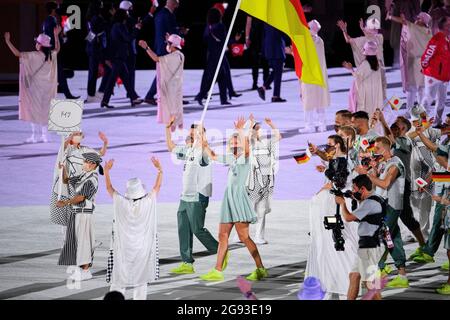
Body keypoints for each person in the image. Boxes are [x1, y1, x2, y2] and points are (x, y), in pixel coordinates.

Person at [199, 117, 268, 282]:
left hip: (238, 200)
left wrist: (240, 131)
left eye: (235, 140)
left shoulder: (244, 158)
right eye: (231, 141)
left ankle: (260, 268)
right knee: (222, 235)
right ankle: (217, 270)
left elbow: (246, 149)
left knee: (244, 237)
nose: (232, 142)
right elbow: (214, 156)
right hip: (228, 200)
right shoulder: (231, 159)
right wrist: (204, 142)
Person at [306, 135, 359, 298]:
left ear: (337, 145)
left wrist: (323, 189)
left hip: (337, 205)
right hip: (336, 204)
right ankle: (335, 283)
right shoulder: (338, 160)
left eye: (329, 145)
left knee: (338, 244)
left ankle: (342, 283)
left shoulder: (343, 162)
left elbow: (338, 182)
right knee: (333, 244)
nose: (326, 147)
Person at [165, 118, 219, 274]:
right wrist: (168, 128)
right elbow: (171, 147)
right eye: (190, 134)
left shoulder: (203, 152)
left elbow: (210, 153)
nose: (191, 136)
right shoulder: (188, 151)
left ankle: (221, 250)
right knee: (184, 229)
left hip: (198, 196)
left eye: (195, 134)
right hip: (185, 197)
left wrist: (202, 137)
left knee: (197, 229)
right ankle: (187, 263)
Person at [103, 157, 162, 300]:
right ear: (141, 189)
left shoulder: (121, 202)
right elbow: (157, 188)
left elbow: (109, 188)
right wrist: (160, 170)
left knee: (118, 279)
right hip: (142, 249)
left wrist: (106, 171)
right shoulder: (148, 201)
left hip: (123, 249)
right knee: (141, 280)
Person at [355, 137, 409, 288]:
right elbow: (377, 182)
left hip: (392, 205)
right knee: (392, 237)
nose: (374, 151)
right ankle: (401, 274)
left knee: (381, 237)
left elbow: (385, 184)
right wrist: (372, 170)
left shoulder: (396, 164)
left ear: (386, 148)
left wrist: (369, 175)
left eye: (377, 148)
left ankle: (377, 271)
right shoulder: (386, 163)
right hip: (385, 204)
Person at [4, 27, 60, 143]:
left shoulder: (33, 55)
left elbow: (17, 53)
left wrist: (8, 41)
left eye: (37, 43)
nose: (36, 44)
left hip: (35, 89)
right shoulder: (51, 55)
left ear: (40, 45)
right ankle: (45, 136)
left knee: (33, 111)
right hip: (47, 88)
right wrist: (56, 36)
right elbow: (57, 48)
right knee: (45, 110)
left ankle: (35, 136)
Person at [334, 174, 386, 300]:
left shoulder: (369, 203)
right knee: (354, 276)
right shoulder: (376, 198)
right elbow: (367, 217)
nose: (353, 191)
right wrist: (355, 198)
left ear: (363, 189)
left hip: (370, 246)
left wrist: (342, 203)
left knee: (371, 283)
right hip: (369, 245)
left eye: (355, 188)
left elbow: (348, 218)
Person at [57, 152, 103, 281]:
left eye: (85, 161)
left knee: (83, 243)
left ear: (92, 164)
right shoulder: (84, 175)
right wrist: (63, 169)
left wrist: (64, 203)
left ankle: (86, 270)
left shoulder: (91, 179)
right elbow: (66, 181)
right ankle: (82, 268)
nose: (83, 163)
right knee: (77, 242)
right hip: (77, 213)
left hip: (83, 214)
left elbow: (80, 197)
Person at [50, 131, 108, 228]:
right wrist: (70, 137)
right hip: (69, 184)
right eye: (76, 134)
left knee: (85, 213)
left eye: (80, 134)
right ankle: (68, 239)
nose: (79, 135)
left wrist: (105, 142)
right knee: (69, 216)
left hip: (82, 183)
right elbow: (63, 147)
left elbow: (100, 154)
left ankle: (86, 237)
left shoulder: (84, 149)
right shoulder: (67, 149)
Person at [387, 12, 432, 118]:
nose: (416, 19)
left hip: (416, 62)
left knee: (412, 89)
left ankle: (410, 111)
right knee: (421, 89)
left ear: (422, 21)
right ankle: (421, 111)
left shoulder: (416, 28)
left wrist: (390, 16)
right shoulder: (428, 32)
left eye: (418, 18)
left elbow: (403, 22)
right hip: (425, 63)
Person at [407, 104, 442, 237]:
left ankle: (424, 231)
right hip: (413, 174)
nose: (420, 121)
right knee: (413, 203)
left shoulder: (432, 131)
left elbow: (437, 145)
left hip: (428, 172)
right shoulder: (410, 132)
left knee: (426, 203)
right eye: (417, 120)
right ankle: (413, 231)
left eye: (423, 117)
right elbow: (407, 138)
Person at [246, 115, 281, 244]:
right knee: (248, 209)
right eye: (256, 128)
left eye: (259, 128)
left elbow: (278, 137)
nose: (259, 130)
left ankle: (258, 236)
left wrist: (272, 124)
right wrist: (250, 126)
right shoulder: (250, 144)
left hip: (266, 179)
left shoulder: (267, 142)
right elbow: (247, 137)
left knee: (261, 210)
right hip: (252, 181)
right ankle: (242, 235)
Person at [337, 17, 386, 110]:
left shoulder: (379, 37)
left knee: (378, 98)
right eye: (371, 27)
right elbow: (349, 40)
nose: (374, 29)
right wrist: (344, 30)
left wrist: (351, 69)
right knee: (360, 97)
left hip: (376, 73)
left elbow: (372, 38)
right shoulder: (362, 40)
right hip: (365, 74)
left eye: (375, 28)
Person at [139, 34, 185, 131]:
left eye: (168, 43)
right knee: (176, 112)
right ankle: (176, 134)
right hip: (176, 88)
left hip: (171, 90)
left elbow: (157, 59)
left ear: (173, 45)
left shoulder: (174, 57)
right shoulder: (180, 55)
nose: (167, 45)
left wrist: (146, 47)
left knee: (171, 113)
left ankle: (173, 137)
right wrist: (169, 39)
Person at [100, 8, 143, 109]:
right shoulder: (120, 26)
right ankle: (105, 101)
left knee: (126, 78)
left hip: (117, 56)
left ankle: (133, 98)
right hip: (118, 56)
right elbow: (128, 38)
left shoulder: (116, 26)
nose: (127, 15)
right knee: (113, 79)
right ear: (123, 16)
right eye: (126, 14)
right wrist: (136, 29)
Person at [144, 0, 182, 105]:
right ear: (171, 2)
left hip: (165, 47)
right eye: (176, 2)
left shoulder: (164, 14)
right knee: (165, 74)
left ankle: (152, 96)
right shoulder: (164, 15)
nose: (177, 5)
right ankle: (150, 95)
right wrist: (178, 34)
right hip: (165, 48)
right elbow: (167, 32)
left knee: (166, 74)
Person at [42, 1, 79, 100]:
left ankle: (67, 95)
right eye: (56, 8)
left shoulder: (45, 21)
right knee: (58, 74)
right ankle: (66, 95)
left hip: (48, 49)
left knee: (58, 74)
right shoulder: (52, 20)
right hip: (54, 50)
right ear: (53, 9)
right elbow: (55, 35)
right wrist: (63, 39)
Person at [195, 7, 231, 106]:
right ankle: (201, 95)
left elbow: (204, 39)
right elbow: (224, 39)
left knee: (221, 77)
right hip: (218, 54)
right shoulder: (220, 26)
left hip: (210, 55)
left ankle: (223, 99)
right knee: (215, 78)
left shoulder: (208, 27)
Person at [299, 20, 330, 134]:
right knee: (319, 100)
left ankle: (309, 126)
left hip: (309, 74)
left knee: (308, 101)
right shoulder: (319, 40)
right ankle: (322, 125)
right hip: (319, 75)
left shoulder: (308, 41)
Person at [420, 16, 450, 127]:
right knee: (428, 99)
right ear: (445, 26)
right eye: (449, 23)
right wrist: (425, 68)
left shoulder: (447, 39)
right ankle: (422, 124)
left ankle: (437, 122)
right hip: (433, 76)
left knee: (442, 100)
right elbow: (426, 56)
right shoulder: (437, 39)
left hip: (444, 77)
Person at [342, 41, 383, 117]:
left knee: (364, 111)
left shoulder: (365, 64)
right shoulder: (378, 64)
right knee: (372, 111)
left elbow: (358, 77)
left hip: (365, 93)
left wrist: (351, 69)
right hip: (374, 92)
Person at [257, 24, 289, 103]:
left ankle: (263, 88)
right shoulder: (277, 20)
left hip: (269, 48)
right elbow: (283, 33)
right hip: (277, 47)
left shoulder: (266, 21)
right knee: (278, 72)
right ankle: (275, 96)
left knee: (276, 70)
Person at [85, 0, 108, 103]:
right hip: (97, 48)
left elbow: (91, 34)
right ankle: (96, 93)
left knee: (93, 72)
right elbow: (94, 32)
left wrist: (89, 44)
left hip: (93, 47)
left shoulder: (90, 18)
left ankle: (92, 94)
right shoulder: (97, 18)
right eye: (101, 5)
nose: (102, 7)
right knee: (102, 71)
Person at [245, 16, 269, 90]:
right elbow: (248, 24)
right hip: (255, 38)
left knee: (265, 61)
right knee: (256, 62)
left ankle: (265, 82)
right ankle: (255, 83)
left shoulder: (265, 9)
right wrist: (247, 37)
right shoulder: (252, 11)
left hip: (263, 37)